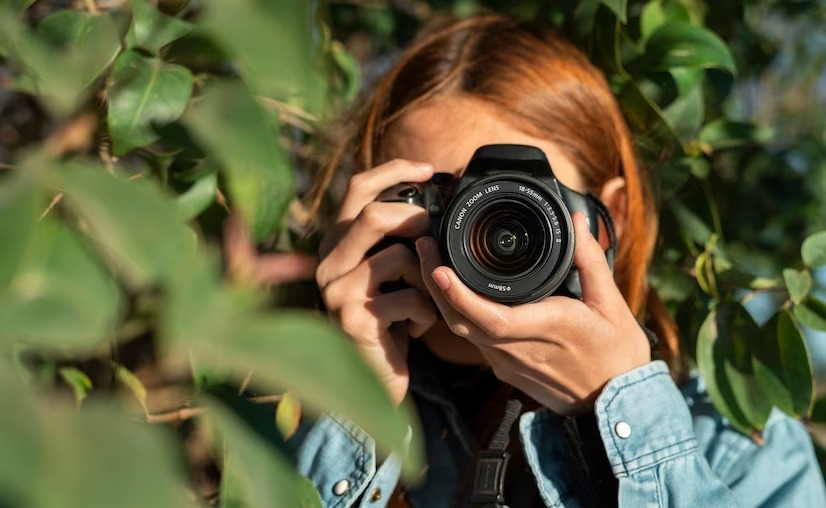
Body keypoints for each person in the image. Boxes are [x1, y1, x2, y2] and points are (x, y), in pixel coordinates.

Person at [294, 14, 826, 508]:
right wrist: (354, 407)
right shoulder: (293, 402)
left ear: (606, 215)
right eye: (437, 200)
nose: (472, 237)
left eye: (517, 200)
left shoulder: (738, 440)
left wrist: (616, 427)